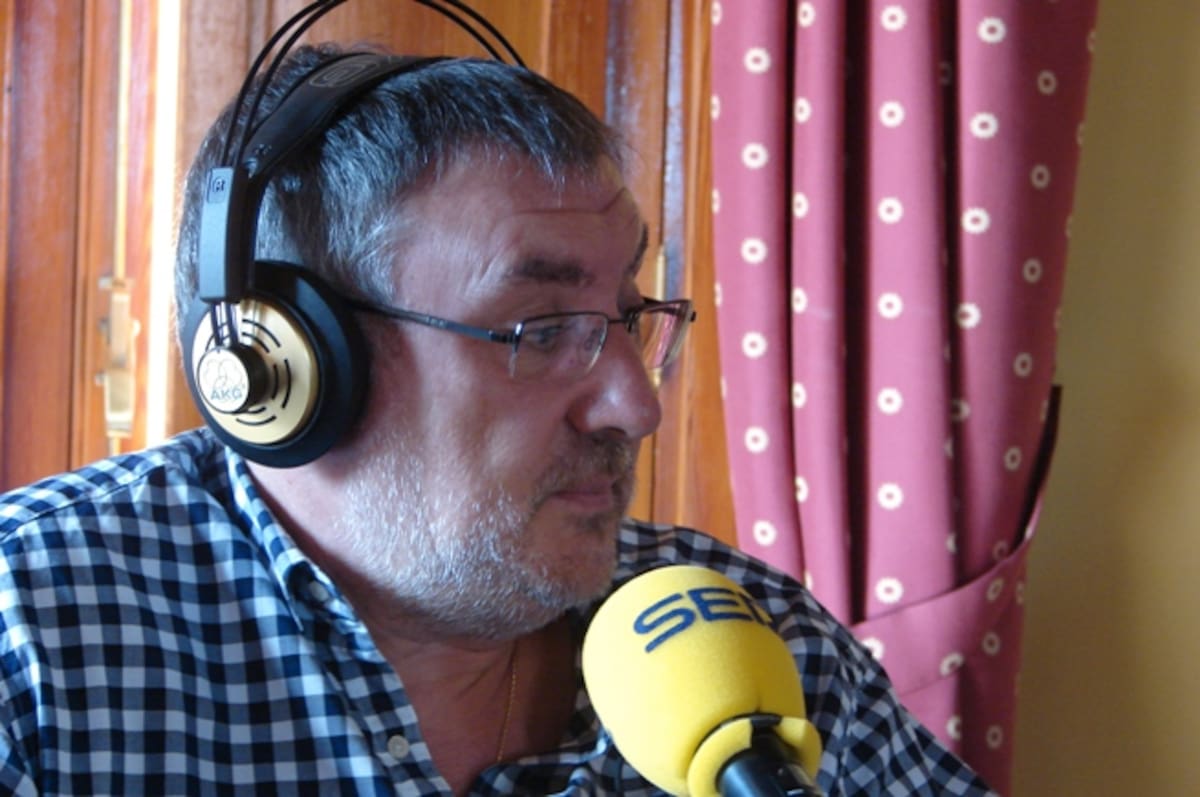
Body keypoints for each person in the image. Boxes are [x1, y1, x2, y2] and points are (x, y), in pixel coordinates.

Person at [0, 42, 996, 796]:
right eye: (541, 328)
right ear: (286, 370)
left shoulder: (751, 645)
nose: (635, 404)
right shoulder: (31, 638)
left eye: (629, 317)